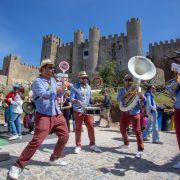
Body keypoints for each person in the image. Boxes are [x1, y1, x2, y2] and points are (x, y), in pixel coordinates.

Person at [8, 59, 70, 179]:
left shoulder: (53, 80)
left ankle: (54, 158)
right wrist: (59, 88)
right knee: (36, 141)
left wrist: (63, 90)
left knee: (65, 136)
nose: (52, 70)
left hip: (57, 114)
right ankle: (18, 165)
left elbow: (57, 95)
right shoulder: (37, 81)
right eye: (50, 67)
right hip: (43, 115)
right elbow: (44, 94)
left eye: (53, 68)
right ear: (43, 69)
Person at [70, 71, 102, 154]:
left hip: (88, 109)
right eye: (83, 78)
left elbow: (89, 98)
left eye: (86, 78)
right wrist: (77, 101)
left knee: (91, 126)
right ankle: (78, 145)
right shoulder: (74, 86)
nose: (85, 79)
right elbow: (71, 98)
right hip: (78, 110)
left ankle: (92, 144)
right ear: (80, 78)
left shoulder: (88, 87)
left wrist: (93, 101)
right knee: (78, 128)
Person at [117, 74, 145, 159]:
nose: (128, 82)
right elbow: (118, 99)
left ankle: (140, 150)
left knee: (137, 131)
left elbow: (143, 102)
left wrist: (142, 97)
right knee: (122, 128)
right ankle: (126, 143)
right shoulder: (121, 90)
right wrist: (127, 93)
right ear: (124, 81)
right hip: (125, 111)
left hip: (134, 112)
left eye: (130, 80)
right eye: (126, 80)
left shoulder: (137, 89)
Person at [169, 72, 180, 169]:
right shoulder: (177, 80)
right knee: (179, 135)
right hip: (178, 109)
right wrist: (177, 82)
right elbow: (171, 93)